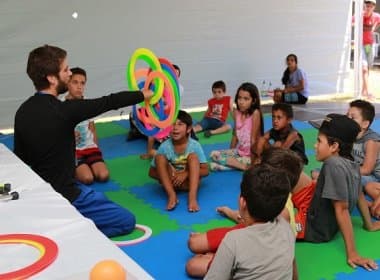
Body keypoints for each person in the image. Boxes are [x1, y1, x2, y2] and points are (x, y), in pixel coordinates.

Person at [14, 45, 152, 237]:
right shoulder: (64, 111)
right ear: (52, 78)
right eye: (65, 70)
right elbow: (109, 101)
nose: (69, 74)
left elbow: (21, 160)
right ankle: (70, 230)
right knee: (126, 221)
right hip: (68, 193)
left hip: (41, 197)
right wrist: (141, 95)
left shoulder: (22, 111)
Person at [292, 114, 378, 270]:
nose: (315, 146)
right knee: (292, 170)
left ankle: (235, 213)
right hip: (313, 203)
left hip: (312, 226)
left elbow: (342, 209)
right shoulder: (352, 161)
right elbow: (358, 194)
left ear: (334, 147)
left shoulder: (333, 164)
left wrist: (353, 253)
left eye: (319, 141)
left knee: (266, 223)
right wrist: (369, 225)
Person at [203, 165, 295, 280]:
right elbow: (293, 268)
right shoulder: (285, 227)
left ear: (242, 202)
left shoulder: (234, 240)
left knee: (193, 265)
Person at [148, 110, 209, 212]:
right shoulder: (165, 146)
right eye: (172, 124)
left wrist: (186, 173)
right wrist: (170, 175)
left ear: (188, 129)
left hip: (188, 184)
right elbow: (151, 172)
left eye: (180, 124)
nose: (175, 127)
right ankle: (172, 195)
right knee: (159, 157)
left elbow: (206, 171)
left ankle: (192, 198)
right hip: (171, 184)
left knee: (193, 157)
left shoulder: (194, 145)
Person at [65, 67, 109, 185]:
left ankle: (90, 163)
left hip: (90, 148)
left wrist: (96, 149)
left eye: (82, 83)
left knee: (103, 175)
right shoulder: (61, 105)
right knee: (87, 178)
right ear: (67, 83)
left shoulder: (88, 105)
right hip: (73, 151)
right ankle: (73, 167)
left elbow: (92, 130)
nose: (79, 86)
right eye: (75, 82)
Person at [209, 82, 263, 171]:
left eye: (246, 99)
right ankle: (235, 164)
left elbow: (253, 139)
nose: (241, 102)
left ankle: (245, 167)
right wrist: (230, 153)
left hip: (250, 155)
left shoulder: (255, 113)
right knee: (213, 154)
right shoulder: (236, 113)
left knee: (213, 165)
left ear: (253, 101)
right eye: (239, 98)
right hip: (239, 152)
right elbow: (235, 135)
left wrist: (254, 160)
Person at [139, 64, 187, 160]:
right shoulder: (159, 86)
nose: (174, 76)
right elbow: (152, 99)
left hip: (172, 116)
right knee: (151, 133)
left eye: (177, 75)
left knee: (173, 135)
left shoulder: (179, 88)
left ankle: (174, 154)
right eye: (173, 74)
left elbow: (170, 104)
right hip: (159, 114)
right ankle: (149, 153)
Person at [354, 0, 380, 100]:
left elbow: (378, 21)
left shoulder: (376, 16)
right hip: (360, 44)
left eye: (371, 6)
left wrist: (374, 26)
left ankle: (363, 90)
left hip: (370, 45)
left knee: (367, 69)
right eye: (367, 5)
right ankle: (368, 92)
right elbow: (350, 23)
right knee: (364, 69)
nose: (368, 8)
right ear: (364, 6)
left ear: (374, 7)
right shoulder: (359, 15)